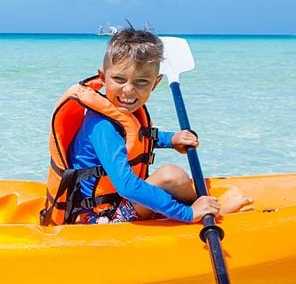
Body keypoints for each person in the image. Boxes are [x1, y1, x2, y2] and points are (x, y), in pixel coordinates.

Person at [42, 26, 252, 225]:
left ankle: (206, 207)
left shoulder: (120, 112)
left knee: (173, 177)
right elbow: (126, 187)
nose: (128, 90)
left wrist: (170, 139)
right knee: (171, 175)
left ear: (156, 83)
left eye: (141, 81)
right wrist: (187, 214)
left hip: (116, 204)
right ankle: (202, 212)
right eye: (119, 78)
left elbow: (139, 135)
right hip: (97, 219)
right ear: (102, 77)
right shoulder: (102, 126)